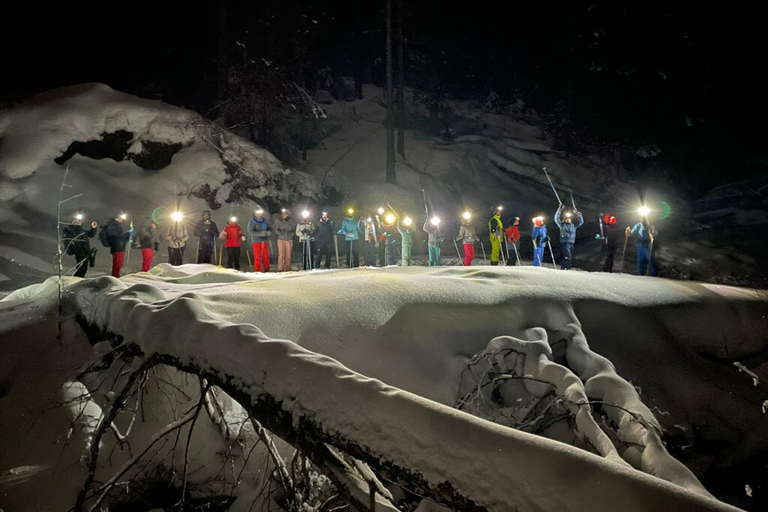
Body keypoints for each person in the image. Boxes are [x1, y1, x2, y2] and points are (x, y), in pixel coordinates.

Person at [554, 205, 584, 270]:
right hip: (564, 242)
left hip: (571, 242)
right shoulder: (562, 225)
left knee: (569, 255)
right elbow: (556, 219)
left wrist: (578, 214)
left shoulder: (573, 226)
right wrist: (559, 210)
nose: (568, 219)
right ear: (564, 219)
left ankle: (565, 266)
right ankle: (566, 267)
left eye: (569, 218)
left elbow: (581, 222)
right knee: (567, 255)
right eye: (566, 218)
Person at [104, 213, 132, 278]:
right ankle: (115, 276)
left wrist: (127, 236)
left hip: (120, 247)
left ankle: (116, 276)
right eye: (121, 217)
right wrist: (126, 234)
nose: (122, 219)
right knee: (117, 264)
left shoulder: (117, 226)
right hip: (117, 247)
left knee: (119, 264)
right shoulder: (112, 226)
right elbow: (116, 238)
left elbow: (120, 237)